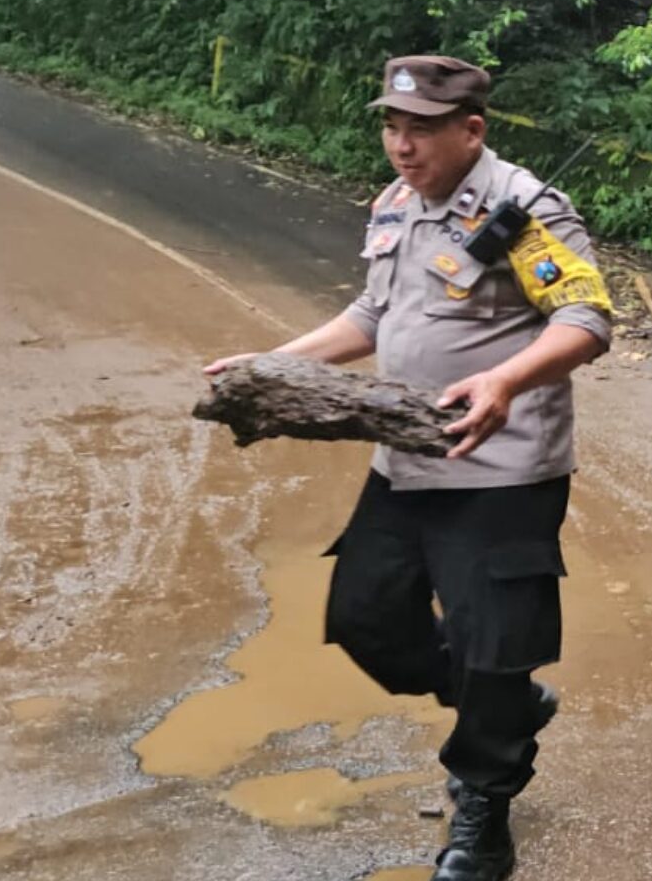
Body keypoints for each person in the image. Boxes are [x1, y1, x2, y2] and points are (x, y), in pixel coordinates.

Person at [204, 57, 612, 881]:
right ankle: (505, 705)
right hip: (406, 455)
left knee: (494, 645)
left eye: (420, 129)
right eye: (392, 126)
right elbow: (373, 313)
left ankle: (483, 807)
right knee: (365, 619)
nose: (401, 145)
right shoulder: (398, 205)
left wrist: (504, 380)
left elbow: (587, 318)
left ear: (472, 130)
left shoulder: (523, 211)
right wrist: (274, 365)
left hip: (502, 468)